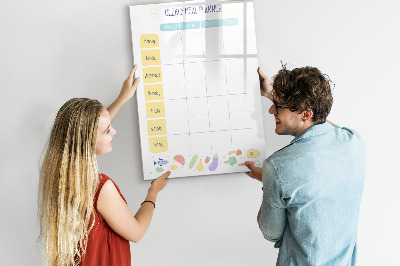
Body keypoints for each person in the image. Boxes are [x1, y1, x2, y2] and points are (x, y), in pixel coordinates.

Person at [38, 65, 170, 266]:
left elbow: (91, 130)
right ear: (88, 141)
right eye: (108, 131)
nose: (114, 132)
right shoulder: (100, 188)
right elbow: (136, 232)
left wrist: (123, 97)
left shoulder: (59, 176)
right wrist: (153, 193)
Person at [245, 66, 366, 265]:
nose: (270, 110)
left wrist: (269, 181)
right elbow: (322, 126)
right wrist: (271, 94)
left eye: (278, 106)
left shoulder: (277, 167)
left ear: (306, 114)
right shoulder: (353, 141)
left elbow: (270, 233)